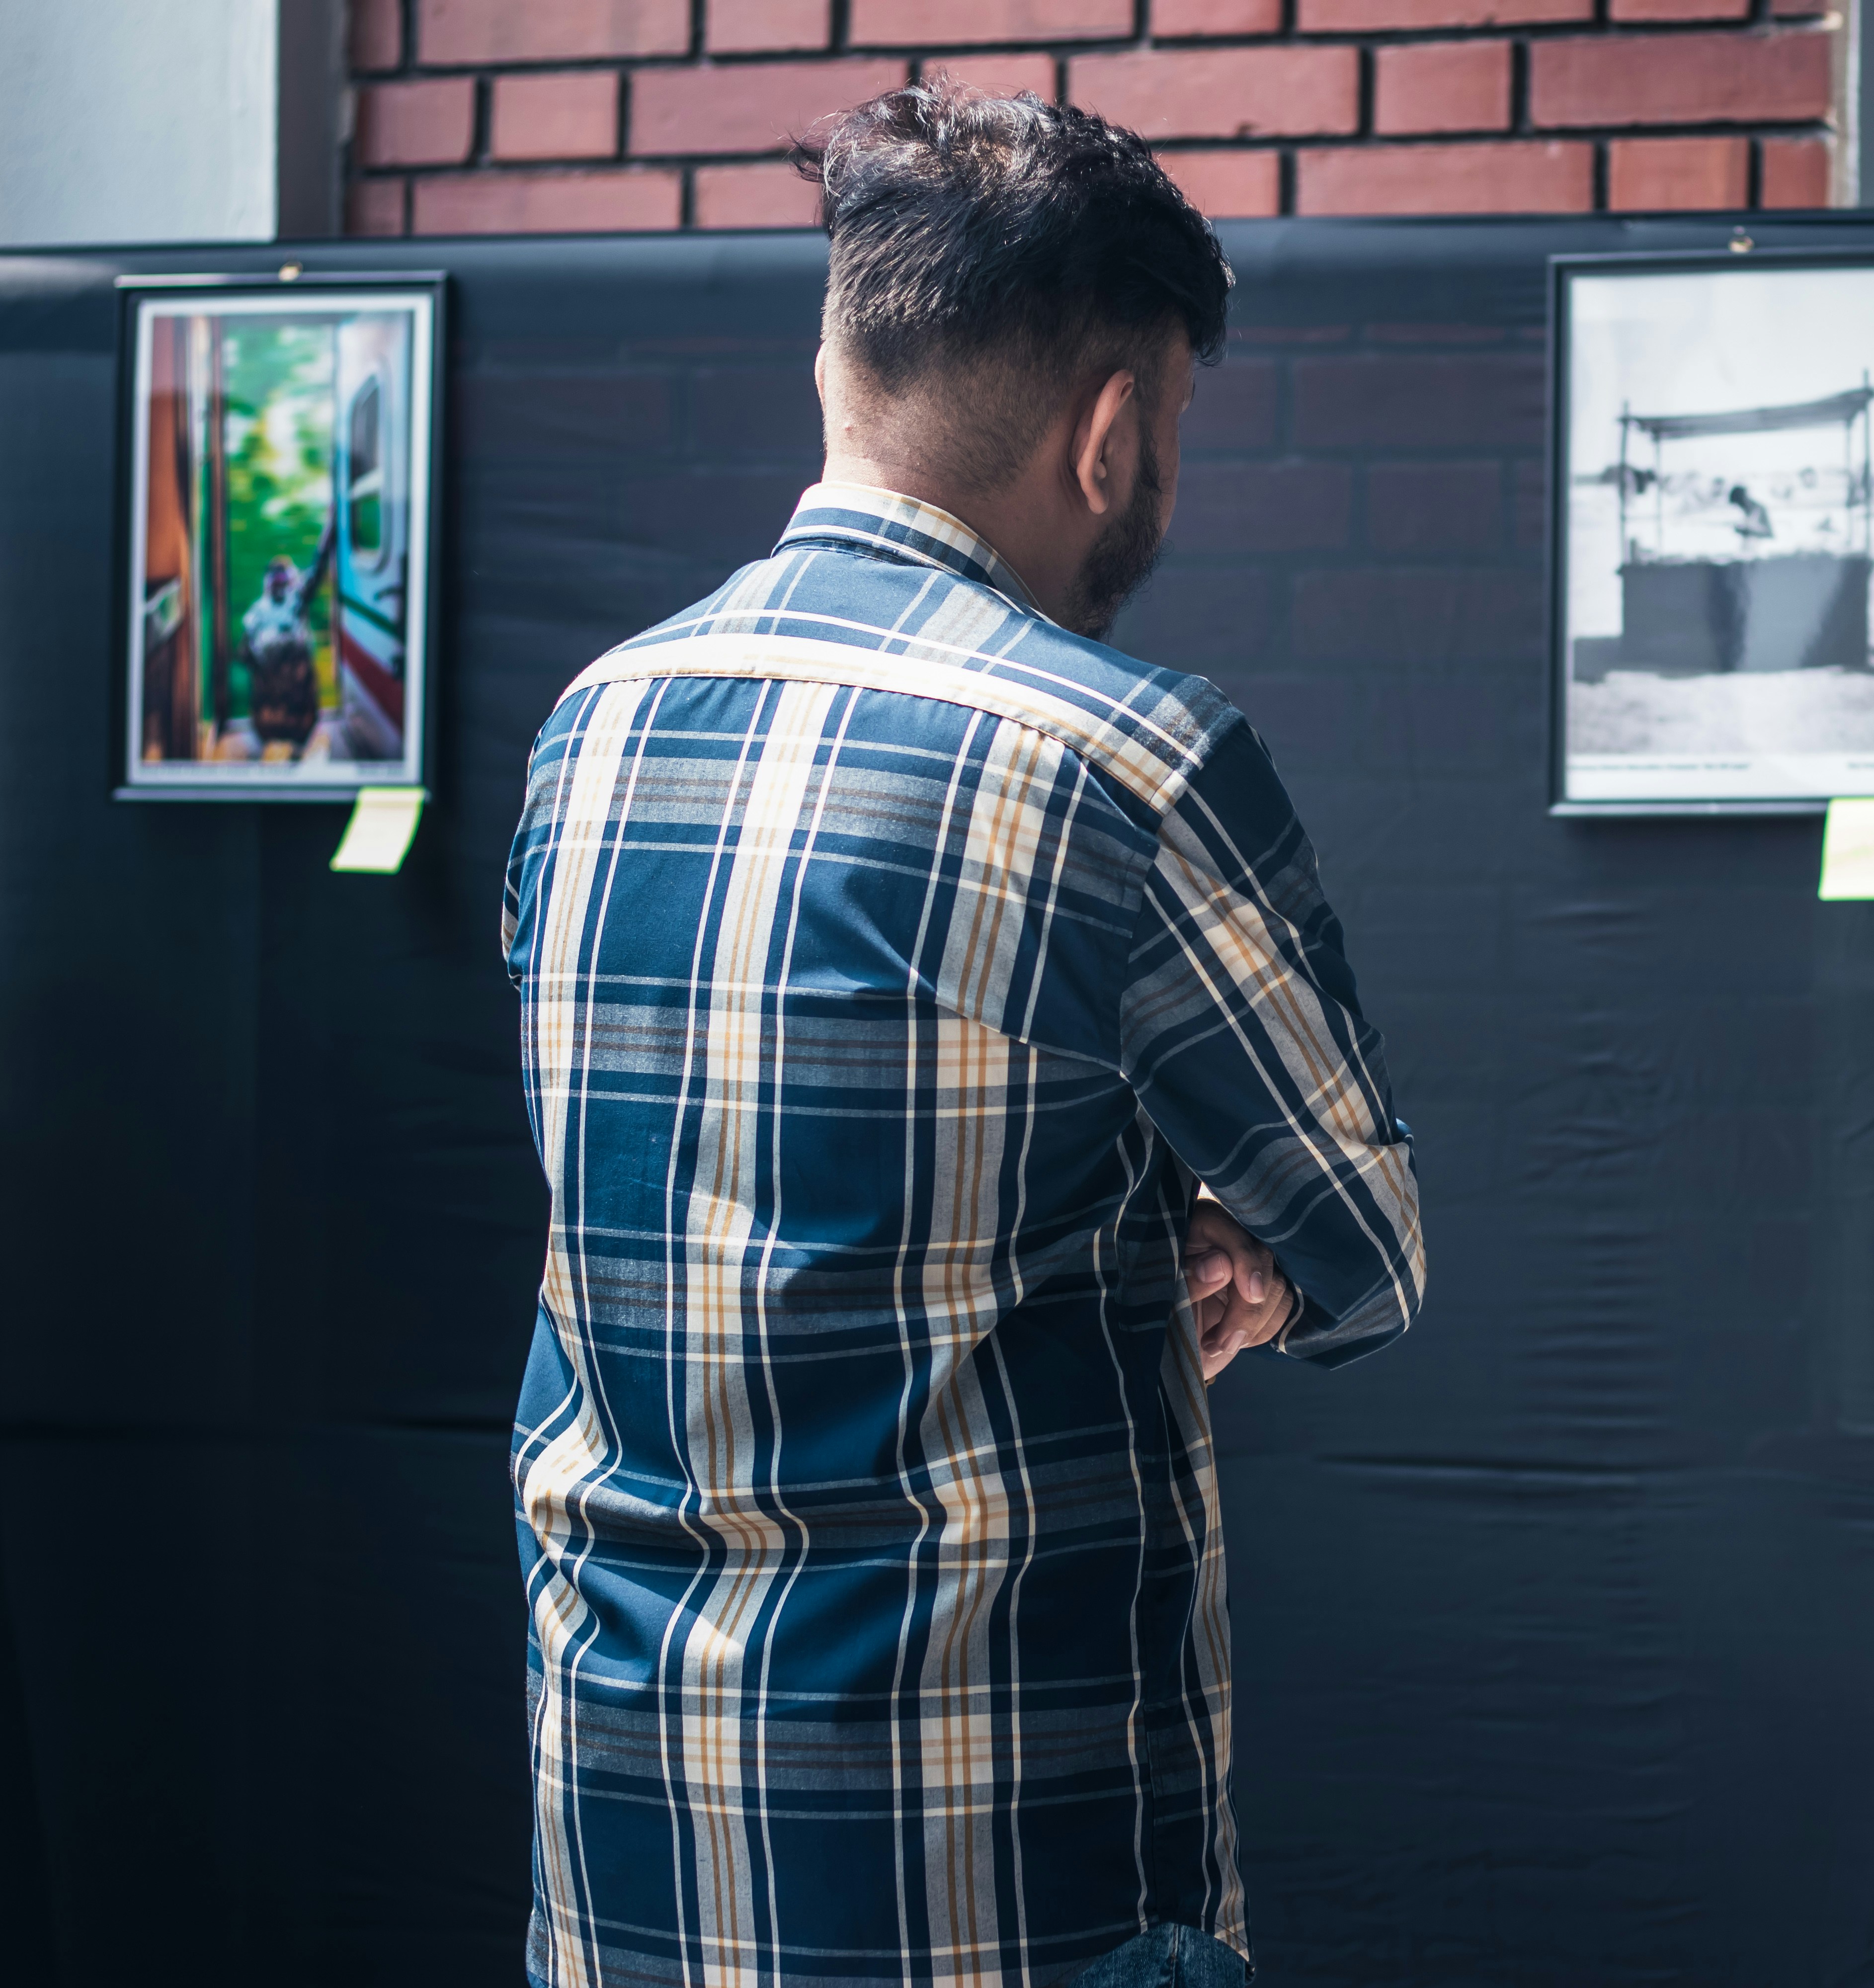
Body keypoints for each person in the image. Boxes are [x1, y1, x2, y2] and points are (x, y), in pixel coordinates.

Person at [500, 80, 1425, 1988]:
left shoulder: (586, 731)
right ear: (1111, 434)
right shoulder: (1119, 757)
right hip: (1000, 1887)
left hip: (629, 1858)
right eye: (1167, 423)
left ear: (837, 361)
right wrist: (1233, 1228)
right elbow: (1356, 1226)